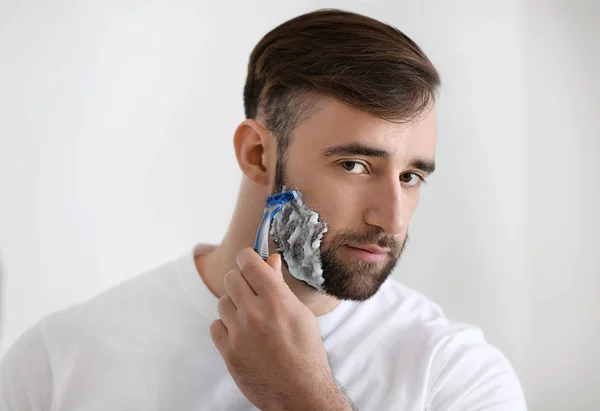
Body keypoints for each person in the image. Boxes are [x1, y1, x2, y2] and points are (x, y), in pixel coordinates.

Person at [0, 8, 527, 411]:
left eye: (411, 177)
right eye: (355, 165)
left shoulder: (455, 376)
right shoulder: (60, 360)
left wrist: (305, 398)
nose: (391, 219)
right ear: (257, 154)